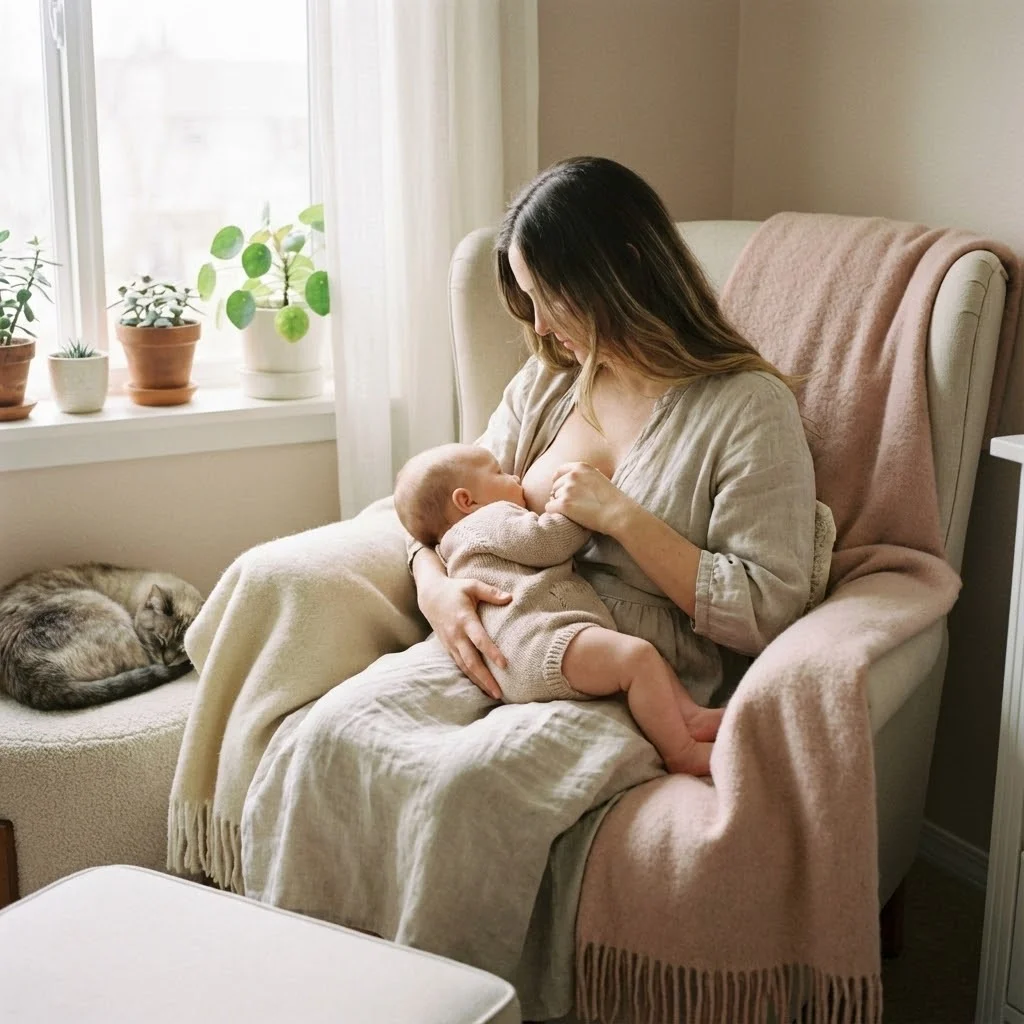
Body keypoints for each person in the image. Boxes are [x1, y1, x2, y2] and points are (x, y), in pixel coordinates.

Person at [230, 156, 819, 1018]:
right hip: (492, 630)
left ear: (617, 267)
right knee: (329, 737)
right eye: (526, 299)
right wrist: (431, 582)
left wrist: (626, 519)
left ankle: (445, 1008)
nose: (539, 325)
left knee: (470, 792)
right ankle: (312, 995)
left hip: (621, 664)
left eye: (551, 297)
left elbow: (771, 605)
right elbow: (448, 504)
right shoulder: (552, 379)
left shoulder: (747, 408)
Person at [393, 441, 725, 775]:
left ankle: (690, 718)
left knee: (645, 657)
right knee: (637, 658)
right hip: (541, 644)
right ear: (466, 500)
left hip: (523, 655)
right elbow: (546, 542)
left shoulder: (453, 546)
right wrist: (583, 508)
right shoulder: (486, 521)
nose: (515, 476)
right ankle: (681, 751)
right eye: (499, 472)